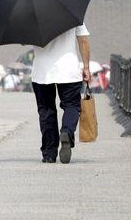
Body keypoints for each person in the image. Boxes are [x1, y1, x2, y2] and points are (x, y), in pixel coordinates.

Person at [31, 25, 91, 164]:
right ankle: (67, 132)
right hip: (68, 70)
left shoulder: (31, 14)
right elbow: (83, 41)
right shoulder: (72, 12)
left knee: (46, 111)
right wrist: (86, 67)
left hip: (42, 71)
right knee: (72, 106)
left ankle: (49, 153)